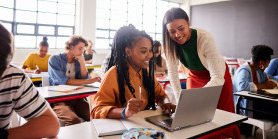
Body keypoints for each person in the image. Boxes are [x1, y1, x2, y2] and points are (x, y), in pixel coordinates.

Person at [162, 8, 238, 138]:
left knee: (220, 120)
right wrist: (180, 99)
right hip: (195, 76)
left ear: (188, 22)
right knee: (193, 119)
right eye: (172, 31)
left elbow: (217, 77)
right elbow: (173, 75)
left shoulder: (204, 38)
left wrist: (199, 98)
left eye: (181, 28)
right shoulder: (169, 43)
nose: (177, 35)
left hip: (218, 77)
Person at [0, 20, 59, 138]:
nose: (43, 53)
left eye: (45, 51)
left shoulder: (12, 75)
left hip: (35, 84)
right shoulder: (31, 57)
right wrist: (33, 71)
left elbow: (51, 125)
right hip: (34, 81)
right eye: (41, 50)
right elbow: (23, 68)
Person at [91, 25, 175, 119]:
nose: (150, 55)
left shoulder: (146, 72)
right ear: (128, 51)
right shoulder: (113, 74)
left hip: (142, 124)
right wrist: (125, 112)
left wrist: (166, 103)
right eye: (143, 51)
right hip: (122, 127)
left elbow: (160, 95)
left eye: (151, 51)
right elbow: (97, 110)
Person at [48, 35, 101, 126]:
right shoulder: (54, 59)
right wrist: (89, 81)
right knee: (74, 121)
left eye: (83, 50)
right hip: (60, 99)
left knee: (95, 116)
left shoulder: (77, 61)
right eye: (80, 49)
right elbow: (63, 81)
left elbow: (84, 78)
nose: (82, 52)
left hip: (77, 98)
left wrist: (82, 61)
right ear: (71, 46)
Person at [233, 45, 277, 119]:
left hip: (257, 105)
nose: (268, 66)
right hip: (246, 109)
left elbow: (272, 78)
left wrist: (271, 83)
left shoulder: (259, 72)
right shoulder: (244, 70)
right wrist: (264, 85)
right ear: (261, 63)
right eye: (268, 63)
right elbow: (242, 86)